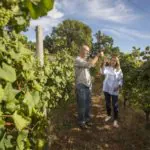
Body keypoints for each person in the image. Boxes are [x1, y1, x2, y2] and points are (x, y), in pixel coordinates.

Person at [74, 44, 102, 129]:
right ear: (81, 50)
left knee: (88, 104)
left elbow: (92, 65)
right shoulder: (78, 59)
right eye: (86, 50)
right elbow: (89, 65)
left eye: (88, 51)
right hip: (81, 85)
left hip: (88, 85)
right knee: (82, 105)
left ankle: (87, 120)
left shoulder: (85, 60)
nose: (88, 52)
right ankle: (81, 122)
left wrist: (95, 58)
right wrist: (97, 55)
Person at [101, 55, 123, 128]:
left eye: (114, 60)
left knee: (115, 105)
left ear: (117, 62)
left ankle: (115, 120)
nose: (113, 61)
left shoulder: (119, 70)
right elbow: (102, 72)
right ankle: (109, 115)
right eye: (112, 60)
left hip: (114, 89)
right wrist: (104, 63)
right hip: (106, 88)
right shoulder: (107, 68)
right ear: (110, 61)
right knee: (107, 103)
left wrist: (119, 86)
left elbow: (121, 79)